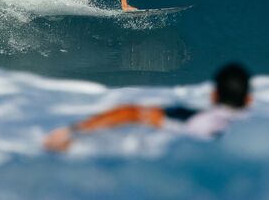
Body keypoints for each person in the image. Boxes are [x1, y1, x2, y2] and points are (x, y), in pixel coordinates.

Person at [43, 62, 252, 152]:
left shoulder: (193, 121)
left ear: (214, 95)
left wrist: (72, 131)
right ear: (249, 100)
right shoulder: (263, 128)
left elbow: (131, 113)